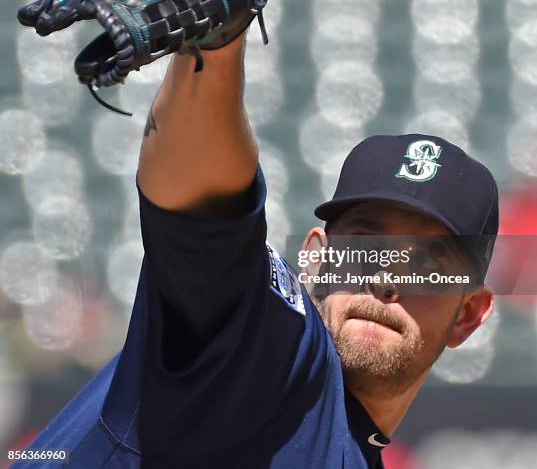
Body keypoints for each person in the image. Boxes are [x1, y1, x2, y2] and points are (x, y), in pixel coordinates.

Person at [18, 29, 499, 469]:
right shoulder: (274, 355)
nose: (386, 278)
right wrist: (213, 52)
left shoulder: (350, 450)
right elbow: (206, 218)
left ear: (468, 314)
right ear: (314, 259)